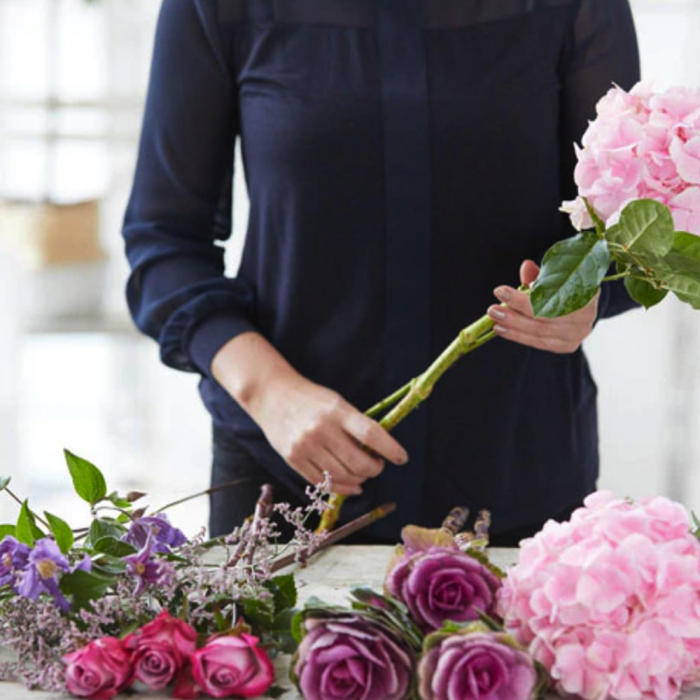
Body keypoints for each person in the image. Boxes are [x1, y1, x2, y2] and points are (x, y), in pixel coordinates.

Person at [123, 0, 640, 545]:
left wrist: (590, 296)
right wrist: (271, 393)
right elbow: (163, 242)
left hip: (518, 481)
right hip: (284, 481)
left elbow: (635, 227)